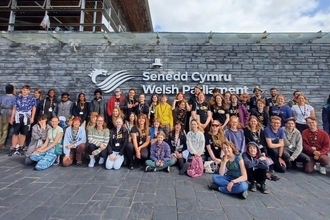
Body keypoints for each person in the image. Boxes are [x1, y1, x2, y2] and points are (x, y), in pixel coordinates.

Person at [9, 85, 36, 156]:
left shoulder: (32, 98)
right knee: (16, 132)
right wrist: (12, 118)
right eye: (23, 90)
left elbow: (34, 108)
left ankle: (21, 147)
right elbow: (14, 108)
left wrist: (32, 117)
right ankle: (13, 148)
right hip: (18, 116)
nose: (25, 91)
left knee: (24, 133)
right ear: (21, 90)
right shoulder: (17, 98)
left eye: (26, 90)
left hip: (26, 116)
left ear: (29, 91)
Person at [0, 84, 16, 149]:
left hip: (9, 114)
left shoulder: (14, 98)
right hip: (1, 113)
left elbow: (15, 108)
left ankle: (2, 143)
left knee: (5, 129)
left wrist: (13, 116)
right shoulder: (1, 97)